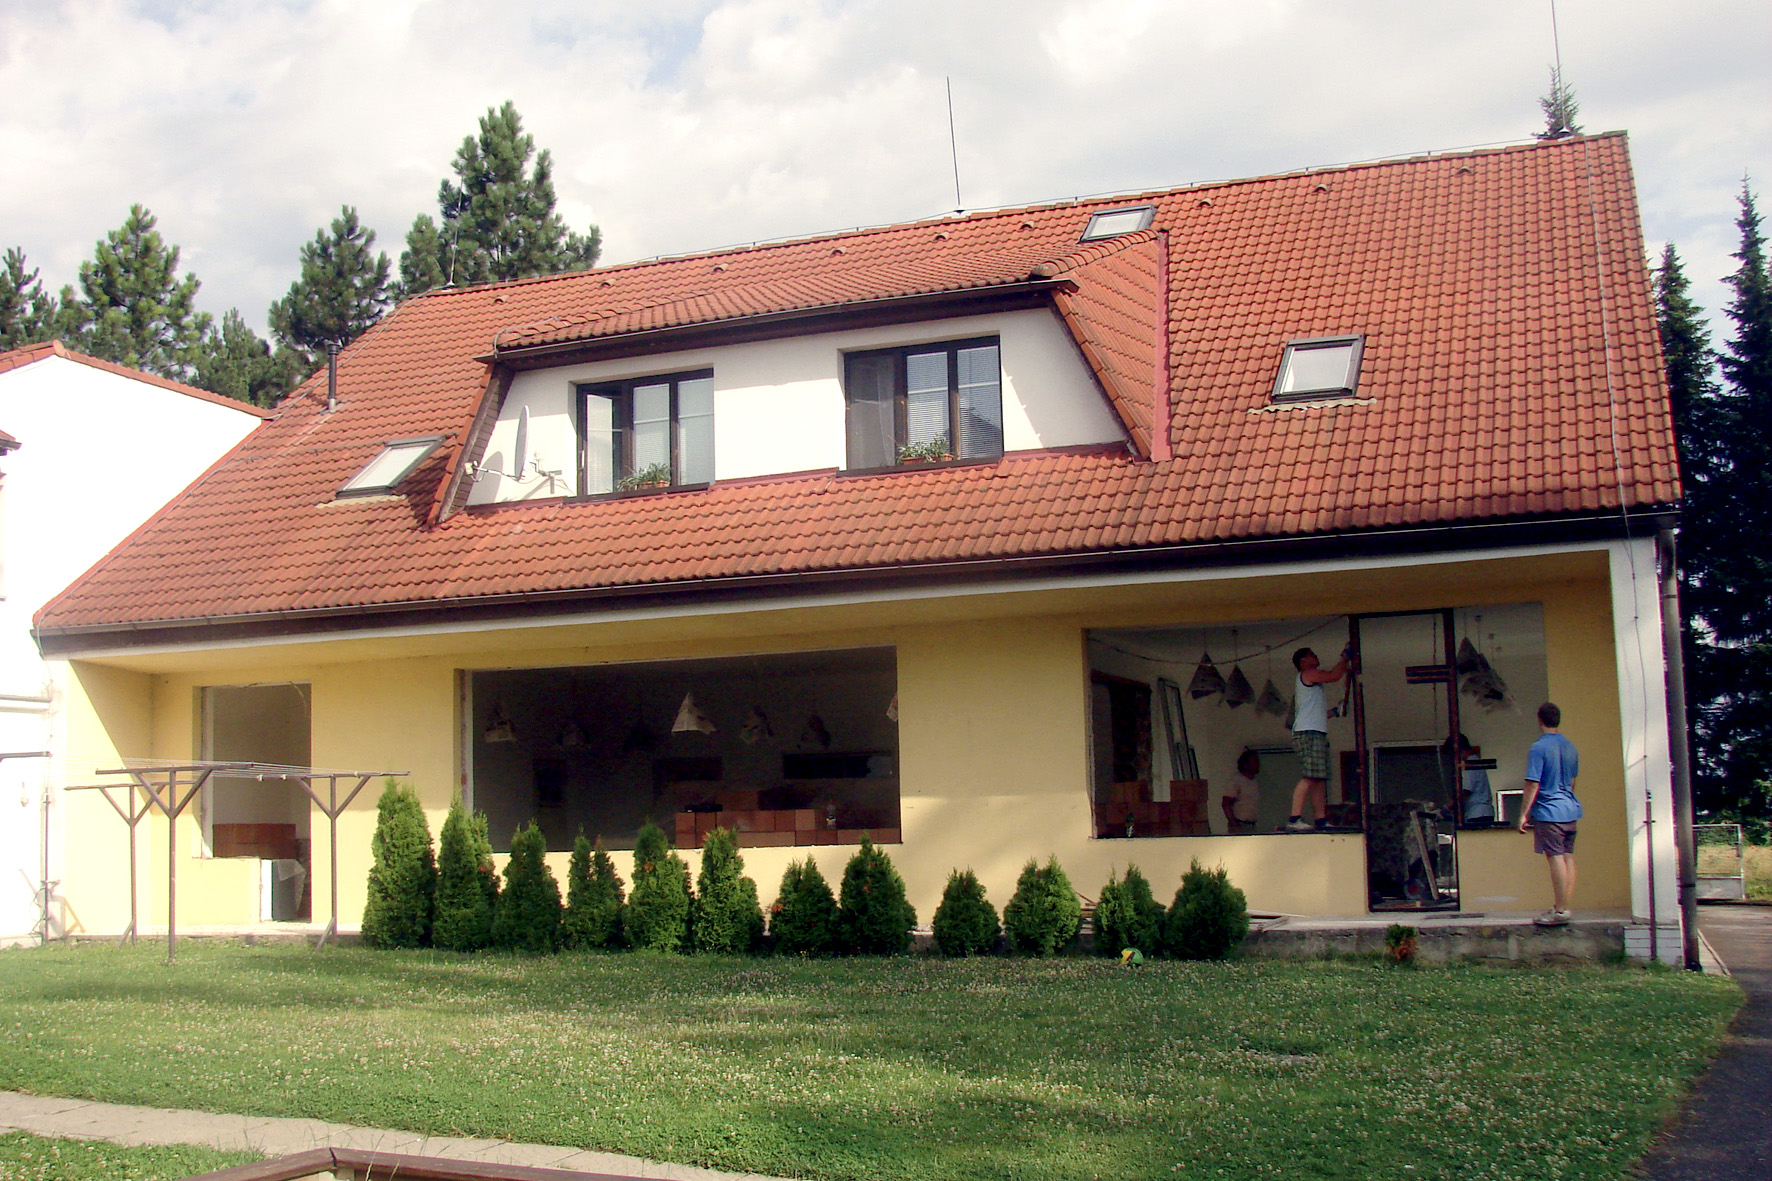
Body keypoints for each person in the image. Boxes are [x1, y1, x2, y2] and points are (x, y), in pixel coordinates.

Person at [1519, 701, 1580, 926]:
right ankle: (1562, 906)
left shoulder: (1538, 748)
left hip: (1549, 811)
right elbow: (1572, 781)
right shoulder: (1570, 747)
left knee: (1555, 858)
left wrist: (1523, 814)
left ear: (1540, 720)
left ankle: (1560, 910)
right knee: (1567, 857)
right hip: (1570, 809)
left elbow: (1533, 783)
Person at [1288, 645, 1352, 832]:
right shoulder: (1308, 674)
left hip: (1314, 731)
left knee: (1318, 778)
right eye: (1311, 655)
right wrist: (1344, 658)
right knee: (1310, 776)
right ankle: (1294, 819)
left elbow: (1315, 713)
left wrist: (1334, 712)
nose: (1316, 656)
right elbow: (1334, 675)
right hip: (1309, 733)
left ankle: (1320, 819)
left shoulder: (1311, 685)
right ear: (1303, 661)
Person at [1457, 733, 1496, 825]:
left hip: (1478, 814)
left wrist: (1449, 807)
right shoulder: (1476, 761)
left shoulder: (1471, 764)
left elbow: (1466, 791)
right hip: (1483, 811)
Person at [1221, 750, 1261, 835]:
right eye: (1255, 761)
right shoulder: (1236, 780)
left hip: (1252, 825)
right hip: (1240, 824)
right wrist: (1234, 824)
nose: (1258, 764)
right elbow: (1226, 804)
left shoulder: (1253, 781)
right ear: (1246, 765)